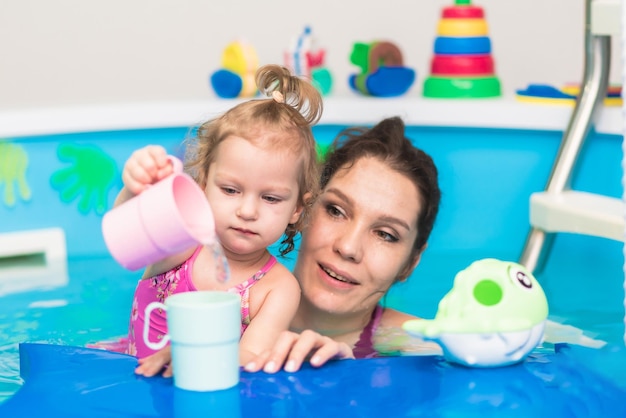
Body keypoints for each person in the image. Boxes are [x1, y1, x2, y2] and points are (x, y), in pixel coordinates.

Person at [137, 116, 441, 377]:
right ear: (303, 212)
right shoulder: (206, 277)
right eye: (335, 210)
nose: (348, 247)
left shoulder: (421, 342)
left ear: (411, 263)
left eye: (386, 234)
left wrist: (350, 377)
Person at [113, 64, 323, 370]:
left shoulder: (278, 288)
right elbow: (127, 237)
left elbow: (249, 361)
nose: (247, 211)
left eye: (271, 198)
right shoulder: (183, 242)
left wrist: (190, 360)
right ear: (202, 186)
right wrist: (135, 188)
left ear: (297, 210)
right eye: (230, 190)